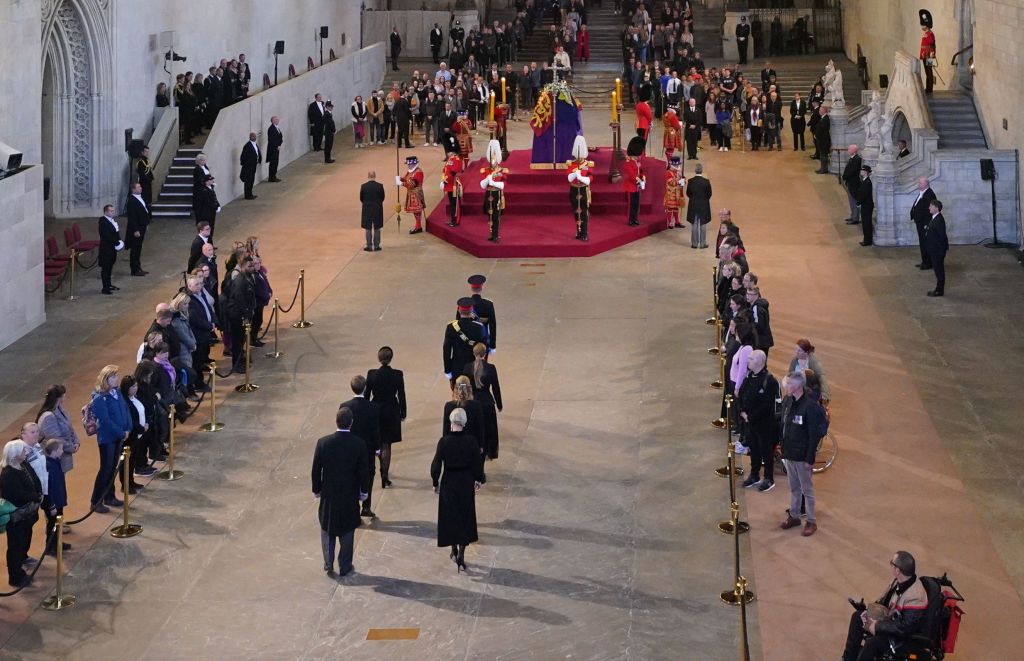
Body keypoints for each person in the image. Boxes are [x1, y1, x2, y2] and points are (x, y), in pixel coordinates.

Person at [311, 407, 370, 577]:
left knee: (327, 526)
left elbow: (316, 470)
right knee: (347, 528)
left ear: (336, 421)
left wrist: (317, 489)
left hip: (329, 493)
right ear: (351, 423)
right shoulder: (358, 444)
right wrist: (363, 492)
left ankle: (328, 563)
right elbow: (363, 471)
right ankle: (345, 565)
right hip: (349, 493)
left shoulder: (323, 442)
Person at [841, 551, 929, 661]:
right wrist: (867, 610)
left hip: (900, 636)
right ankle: (848, 658)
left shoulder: (916, 597)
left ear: (898, 570)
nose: (891, 567)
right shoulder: (898, 581)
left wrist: (878, 626)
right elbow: (883, 602)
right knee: (857, 617)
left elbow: (905, 627)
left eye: (892, 564)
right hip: (888, 621)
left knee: (872, 643)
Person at [431, 408, 484, 573]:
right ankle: (461, 552)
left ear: (451, 422)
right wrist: (478, 479)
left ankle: (453, 548)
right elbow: (477, 463)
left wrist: (435, 481)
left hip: (449, 481)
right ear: (465, 422)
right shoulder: (471, 441)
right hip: (465, 481)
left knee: (450, 515)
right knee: (465, 516)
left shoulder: (444, 441)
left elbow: (436, 464)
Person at [779, 371, 827, 537]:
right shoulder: (788, 401)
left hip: (802, 456)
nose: (787, 386)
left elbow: (814, 435)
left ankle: (811, 521)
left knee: (807, 489)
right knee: (794, 487)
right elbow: (785, 426)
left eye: (790, 384)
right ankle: (794, 516)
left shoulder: (810, 407)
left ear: (799, 386)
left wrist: (809, 458)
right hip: (790, 453)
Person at [89, 365, 132, 513]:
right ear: (105, 379)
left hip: (119, 436)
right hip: (108, 439)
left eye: (116, 376)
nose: (116, 379)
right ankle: (96, 500)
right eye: (113, 377)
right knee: (106, 469)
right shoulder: (99, 399)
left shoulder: (117, 393)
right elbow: (106, 421)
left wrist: (128, 427)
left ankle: (109, 496)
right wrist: (121, 432)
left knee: (113, 467)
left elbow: (125, 409)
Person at [340, 375, 382, 520]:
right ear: (365, 388)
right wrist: (377, 448)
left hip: (349, 448)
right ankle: (366, 506)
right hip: (367, 448)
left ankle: (353, 508)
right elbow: (375, 430)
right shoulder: (373, 408)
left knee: (352, 476)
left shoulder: (345, 406)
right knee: (369, 475)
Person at [1, 440, 41, 587]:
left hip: (27, 514)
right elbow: (16, 494)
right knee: (15, 546)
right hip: (17, 517)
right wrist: (34, 497)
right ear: (15, 454)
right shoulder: (8, 474)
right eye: (23, 451)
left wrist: (38, 492)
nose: (26, 453)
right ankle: (15, 576)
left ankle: (21, 563)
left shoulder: (22, 465)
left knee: (23, 540)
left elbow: (33, 479)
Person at [737, 350, 779, 491]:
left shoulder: (770, 381)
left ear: (760, 362)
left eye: (751, 359)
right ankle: (754, 474)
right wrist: (742, 410)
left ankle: (768, 478)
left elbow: (767, 405)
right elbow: (743, 394)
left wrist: (751, 416)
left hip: (764, 424)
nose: (748, 360)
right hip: (750, 423)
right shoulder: (750, 376)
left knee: (766, 451)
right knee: (753, 449)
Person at [366, 347, 406, 490]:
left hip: (375, 409)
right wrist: (403, 412)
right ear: (391, 358)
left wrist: (366, 410)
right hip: (391, 410)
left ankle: (381, 466)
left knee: (378, 441)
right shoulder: (397, 374)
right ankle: (385, 475)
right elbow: (401, 394)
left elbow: (366, 395)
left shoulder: (371, 374)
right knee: (387, 444)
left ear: (378, 358)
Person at [463, 343, 502, 461]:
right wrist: (499, 404)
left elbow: (464, 387)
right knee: (489, 429)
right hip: (487, 403)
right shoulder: (491, 368)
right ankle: (489, 451)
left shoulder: (466, 368)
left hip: (472, 403)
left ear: (473, 353)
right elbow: (496, 388)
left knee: (474, 428)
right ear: (485, 354)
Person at [36, 384, 81, 475]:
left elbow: (69, 427)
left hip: (62, 456)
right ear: (60, 397)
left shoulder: (60, 409)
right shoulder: (48, 417)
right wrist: (72, 447)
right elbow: (56, 439)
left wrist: (76, 441)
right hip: (54, 459)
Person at [444, 297, 487, 386]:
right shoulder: (479, 327)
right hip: (475, 368)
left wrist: (447, 370)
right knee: (474, 394)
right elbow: (484, 348)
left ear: (459, 310)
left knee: (458, 395)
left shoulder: (451, 327)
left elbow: (446, 350)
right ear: (471, 310)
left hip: (457, 368)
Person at [42, 438, 69, 554]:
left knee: (57, 524)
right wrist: (51, 505)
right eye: (61, 449)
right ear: (54, 451)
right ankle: (50, 546)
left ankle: (57, 542)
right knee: (52, 524)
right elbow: (48, 489)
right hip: (53, 502)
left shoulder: (55, 462)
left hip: (59, 499)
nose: (62, 451)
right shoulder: (48, 466)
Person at [567, 135, 594, 241]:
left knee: (584, 212)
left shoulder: (588, 164)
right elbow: (569, 177)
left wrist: (582, 178)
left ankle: (584, 233)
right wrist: (575, 174)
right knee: (576, 212)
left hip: (583, 190)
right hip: (574, 190)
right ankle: (578, 231)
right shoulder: (571, 164)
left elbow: (591, 177)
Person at [480, 140, 507, 242]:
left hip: (496, 194)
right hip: (488, 194)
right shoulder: (487, 170)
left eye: (495, 160)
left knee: (496, 215)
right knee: (489, 214)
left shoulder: (501, 171)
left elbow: (503, 184)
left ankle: (496, 234)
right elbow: (482, 185)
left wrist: (493, 183)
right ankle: (491, 233)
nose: (493, 162)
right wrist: (488, 178)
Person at [124, 182, 151, 277]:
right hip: (137, 228)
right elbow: (132, 217)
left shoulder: (140, 197)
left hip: (142, 225)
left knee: (139, 248)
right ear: (133, 189)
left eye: (140, 186)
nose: (141, 188)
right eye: (138, 187)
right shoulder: (131, 201)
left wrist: (146, 223)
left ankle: (138, 267)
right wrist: (135, 230)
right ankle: (134, 269)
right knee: (135, 249)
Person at [464, 275, 497, 350]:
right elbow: (492, 326)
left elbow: (459, 324)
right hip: (483, 340)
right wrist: (492, 345)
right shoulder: (488, 304)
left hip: (468, 341)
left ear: (471, 288)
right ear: (482, 287)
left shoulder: (464, 304)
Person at [910, 179, 938, 270]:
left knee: (925, 243)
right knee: (922, 242)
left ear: (926, 184)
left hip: (924, 223)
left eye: (920, 183)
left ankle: (928, 263)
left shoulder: (929, 194)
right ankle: (924, 261)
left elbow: (930, 211)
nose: (918, 184)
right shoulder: (922, 192)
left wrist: (926, 224)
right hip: (920, 222)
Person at [97, 204, 124, 295]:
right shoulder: (103, 222)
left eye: (113, 211)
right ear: (106, 212)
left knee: (110, 268)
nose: (113, 212)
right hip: (106, 249)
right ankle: (105, 288)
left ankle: (109, 284)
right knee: (105, 269)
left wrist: (119, 240)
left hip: (112, 249)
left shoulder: (112, 221)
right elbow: (107, 236)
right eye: (111, 211)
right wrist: (116, 242)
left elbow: (116, 233)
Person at [924, 199, 949, 297]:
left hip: (937, 251)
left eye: (931, 206)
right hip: (934, 250)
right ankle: (939, 289)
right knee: (937, 270)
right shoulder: (935, 218)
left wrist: (941, 251)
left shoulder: (938, 220)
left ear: (936, 208)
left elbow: (942, 237)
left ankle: (939, 290)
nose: (929, 207)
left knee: (939, 271)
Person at [686, 163, 712, 249]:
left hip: (693, 204)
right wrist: (704, 199)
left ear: (695, 171)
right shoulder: (706, 182)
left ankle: (694, 243)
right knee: (703, 224)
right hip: (703, 205)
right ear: (702, 170)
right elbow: (709, 194)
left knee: (694, 224)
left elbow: (688, 193)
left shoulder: (690, 181)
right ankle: (702, 243)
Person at [398, 155, 426, 235]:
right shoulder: (411, 171)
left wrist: (401, 183)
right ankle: (418, 226)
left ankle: (418, 227)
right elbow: (406, 178)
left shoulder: (418, 172)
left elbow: (412, 184)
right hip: (411, 193)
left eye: (409, 164)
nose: (408, 165)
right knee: (415, 211)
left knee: (417, 210)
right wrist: (400, 178)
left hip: (416, 194)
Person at [359, 171, 385, 252]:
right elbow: (382, 197)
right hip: (377, 208)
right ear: (375, 176)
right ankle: (377, 246)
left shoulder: (363, 186)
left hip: (367, 209)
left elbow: (361, 198)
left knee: (368, 228)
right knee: (377, 227)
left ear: (368, 176)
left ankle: (369, 246)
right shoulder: (380, 186)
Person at [623, 136, 646, 227]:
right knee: (631, 204)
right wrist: (639, 180)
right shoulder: (628, 163)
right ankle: (630, 220)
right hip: (631, 186)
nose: (638, 156)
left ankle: (635, 218)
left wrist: (643, 177)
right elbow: (631, 176)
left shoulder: (637, 162)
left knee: (637, 204)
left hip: (637, 187)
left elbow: (640, 171)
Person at [441, 149, 464, 227]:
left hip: (453, 184)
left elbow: (453, 173)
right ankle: (452, 219)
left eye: (448, 151)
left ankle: (455, 220)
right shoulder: (450, 158)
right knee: (452, 203)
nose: (447, 153)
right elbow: (446, 170)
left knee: (455, 203)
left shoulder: (456, 159)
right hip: (449, 184)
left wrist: (445, 181)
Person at [663, 155, 686, 230]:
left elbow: (683, 181)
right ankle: (669, 222)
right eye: (676, 165)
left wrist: (683, 180)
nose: (678, 166)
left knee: (676, 208)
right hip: (671, 193)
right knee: (670, 208)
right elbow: (671, 183)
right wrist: (679, 181)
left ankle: (677, 222)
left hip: (677, 193)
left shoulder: (678, 173)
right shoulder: (668, 173)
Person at [239, 132, 261, 200]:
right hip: (249, 167)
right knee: (248, 181)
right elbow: (243, 157)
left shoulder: (255, 144)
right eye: (253, 136)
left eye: (255, 136)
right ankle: (247, 195)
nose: (255, 137)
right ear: (250, 137)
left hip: (253, 166)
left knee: (251, 180)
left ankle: (250, 194)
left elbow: (257, 153)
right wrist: (248, 164)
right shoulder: (247, 146)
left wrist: (259, 160)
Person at [857, 165, 875, 246]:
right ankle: (866, 239)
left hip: (867, 206)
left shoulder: (867, 182)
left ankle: (867, 240)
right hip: (865, 205)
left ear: (866, 172)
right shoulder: (864, 181)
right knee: (865, 223)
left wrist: (858, 202)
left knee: (866, 223)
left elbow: (863, 195)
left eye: (862, 170)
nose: (861, 171)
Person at [813, 105, 831, 174]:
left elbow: (821, 129)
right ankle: (822, 168)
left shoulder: (825, 119)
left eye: (820, 110)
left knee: (823, 155)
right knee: (822, 155)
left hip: (824, 140)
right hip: (821, 140)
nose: (819, 111)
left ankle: (824, 169)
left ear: (824, 111)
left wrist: (816, 135)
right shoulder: (823, 118)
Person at [920, 24, 936, 95]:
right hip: (925, 55)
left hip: (928, 55)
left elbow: (932, 44)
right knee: (927, 71)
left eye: (923, 25)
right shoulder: (926, 33)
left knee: (929, 71)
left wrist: (932, 53)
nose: (922, 26)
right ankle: (928, 88)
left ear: (927, 26)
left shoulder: (930, 34)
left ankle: (930, 88)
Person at [266, 116, 283, 182]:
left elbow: (280, 137)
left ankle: (274, 176)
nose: (277, 120)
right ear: (272, 121)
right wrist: (277, 146)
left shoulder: (276, 127)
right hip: (273, 149)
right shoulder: (271, 129)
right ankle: (271, 178)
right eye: (276, 119)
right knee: (273, 163)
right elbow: (271, 140)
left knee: (275, 163)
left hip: (276, 148)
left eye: (277, 119)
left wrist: (279, 144)